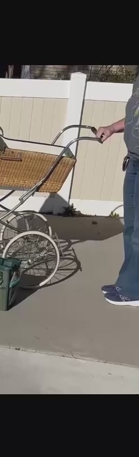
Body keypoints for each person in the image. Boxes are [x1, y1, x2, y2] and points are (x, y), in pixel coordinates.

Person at [97, 73, 139, 306]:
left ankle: (134, 290)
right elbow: (134, 116)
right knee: (130, 226)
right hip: (135, 159)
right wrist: (113, 127)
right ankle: (127, 281)